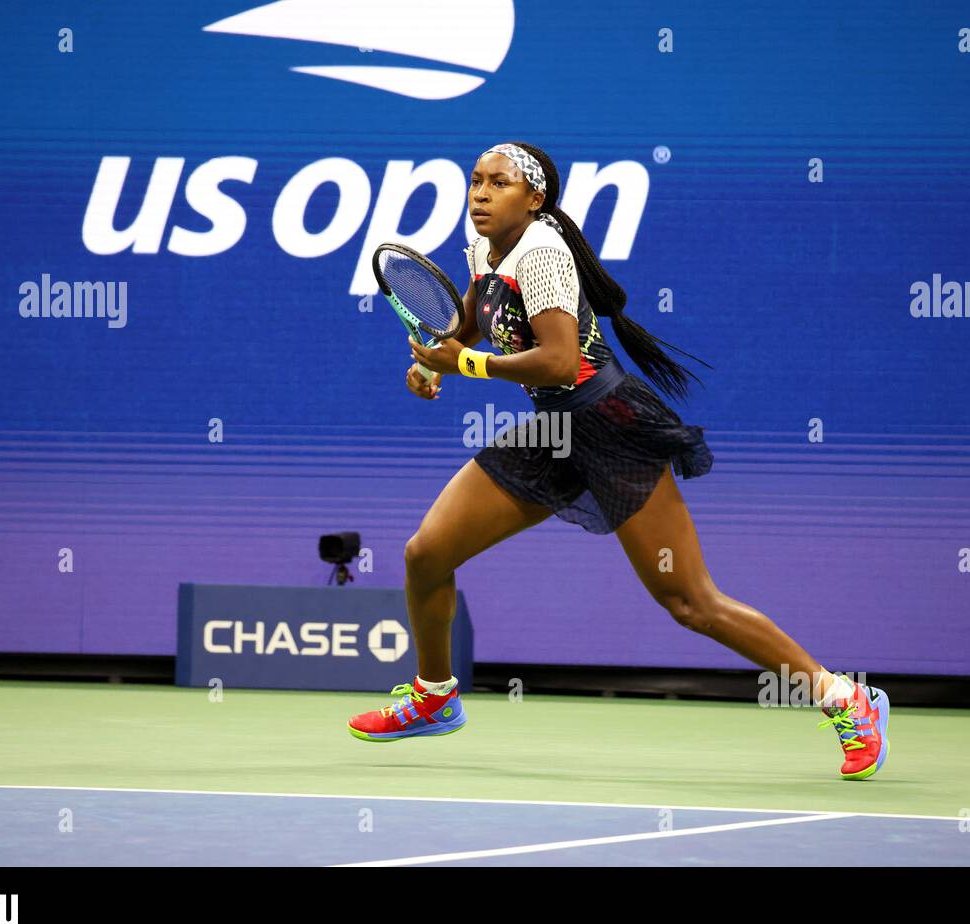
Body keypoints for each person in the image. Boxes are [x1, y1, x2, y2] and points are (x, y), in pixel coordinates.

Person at [347, 141, 889, 780]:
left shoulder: (544, 254)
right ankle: (435, 696)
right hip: (553, 429)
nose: (480, 194)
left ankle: (844, 698)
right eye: (475, 182)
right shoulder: (484, 249)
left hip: (611, 425)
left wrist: (461, 364)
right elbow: (474, 322)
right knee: (426, 554)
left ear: (536, 198)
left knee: (689, 602)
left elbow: (554, 358)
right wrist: (431, 361)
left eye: (498, 184)